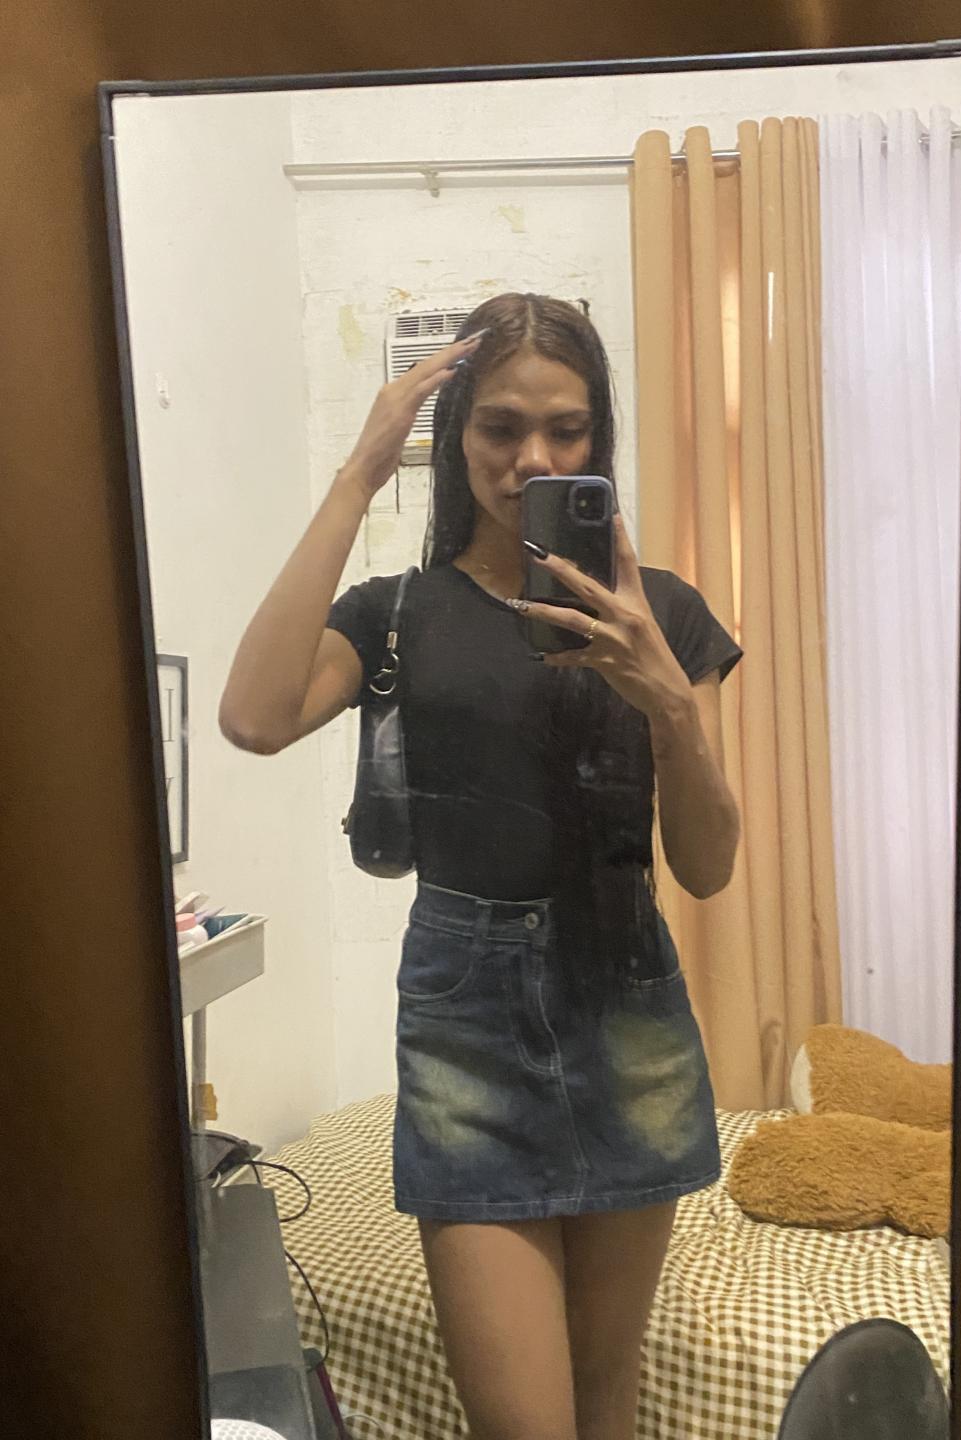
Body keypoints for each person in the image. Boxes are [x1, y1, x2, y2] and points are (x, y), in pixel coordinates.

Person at [220, 293, 742, 1440]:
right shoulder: (396, 611)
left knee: (606, 1401)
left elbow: (707, 868)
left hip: (627, 1001)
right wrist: (360, 471)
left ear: (599, 438)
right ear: (457, 438)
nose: (533, 458)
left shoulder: (666, 615)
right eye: (501, 427)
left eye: (566, 429)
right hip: (468, 1021)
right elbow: (253, 716)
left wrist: (669, 705)